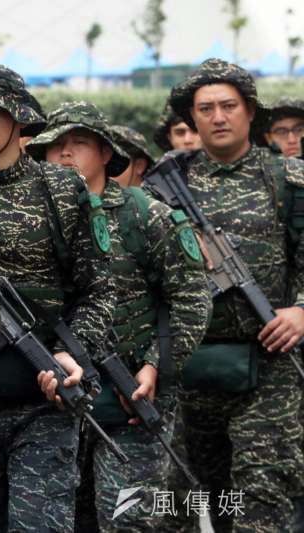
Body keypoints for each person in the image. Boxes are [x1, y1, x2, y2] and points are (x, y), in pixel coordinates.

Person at [0, 63, 116, 532]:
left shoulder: (59, 190)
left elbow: (99, 289)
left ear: (18, 120)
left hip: (43, 405)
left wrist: (71, 354)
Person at [27, 101, 211, 531]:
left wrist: (155, 365)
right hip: (56, 403)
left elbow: (191, 299)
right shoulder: (35, 220)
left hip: (133, 395)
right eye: (55, 147)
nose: (66, 154)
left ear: (106, 153)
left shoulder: (146, 214)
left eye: (79, 143)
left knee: (127, 520)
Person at [155, 57, 304, 532]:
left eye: (228, 106)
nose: (218, 117)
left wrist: (302, 310)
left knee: (262, 496)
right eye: (206, 109)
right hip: (188, 369)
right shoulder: (165, 187)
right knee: (195, 505)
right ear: (192, 119)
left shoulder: (288, 179)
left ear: (249, 111)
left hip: (270, 367)